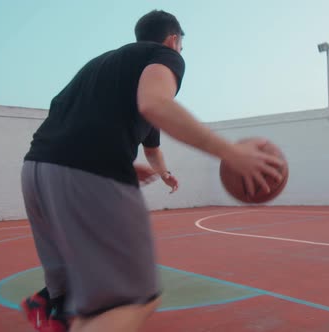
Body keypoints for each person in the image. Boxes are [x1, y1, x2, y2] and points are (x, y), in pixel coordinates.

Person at [19, 9, 283, 332]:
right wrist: (231, 152)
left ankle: (50, 304)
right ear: (173, 40)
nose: (181, 54)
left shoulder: (109, 65)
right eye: (181, 47)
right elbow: (155, 104)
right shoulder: (164, 57)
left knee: (95, 305)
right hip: (86, 173)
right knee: (131, 301)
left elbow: (150, 145)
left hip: (37, 170)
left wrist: (157, 170)